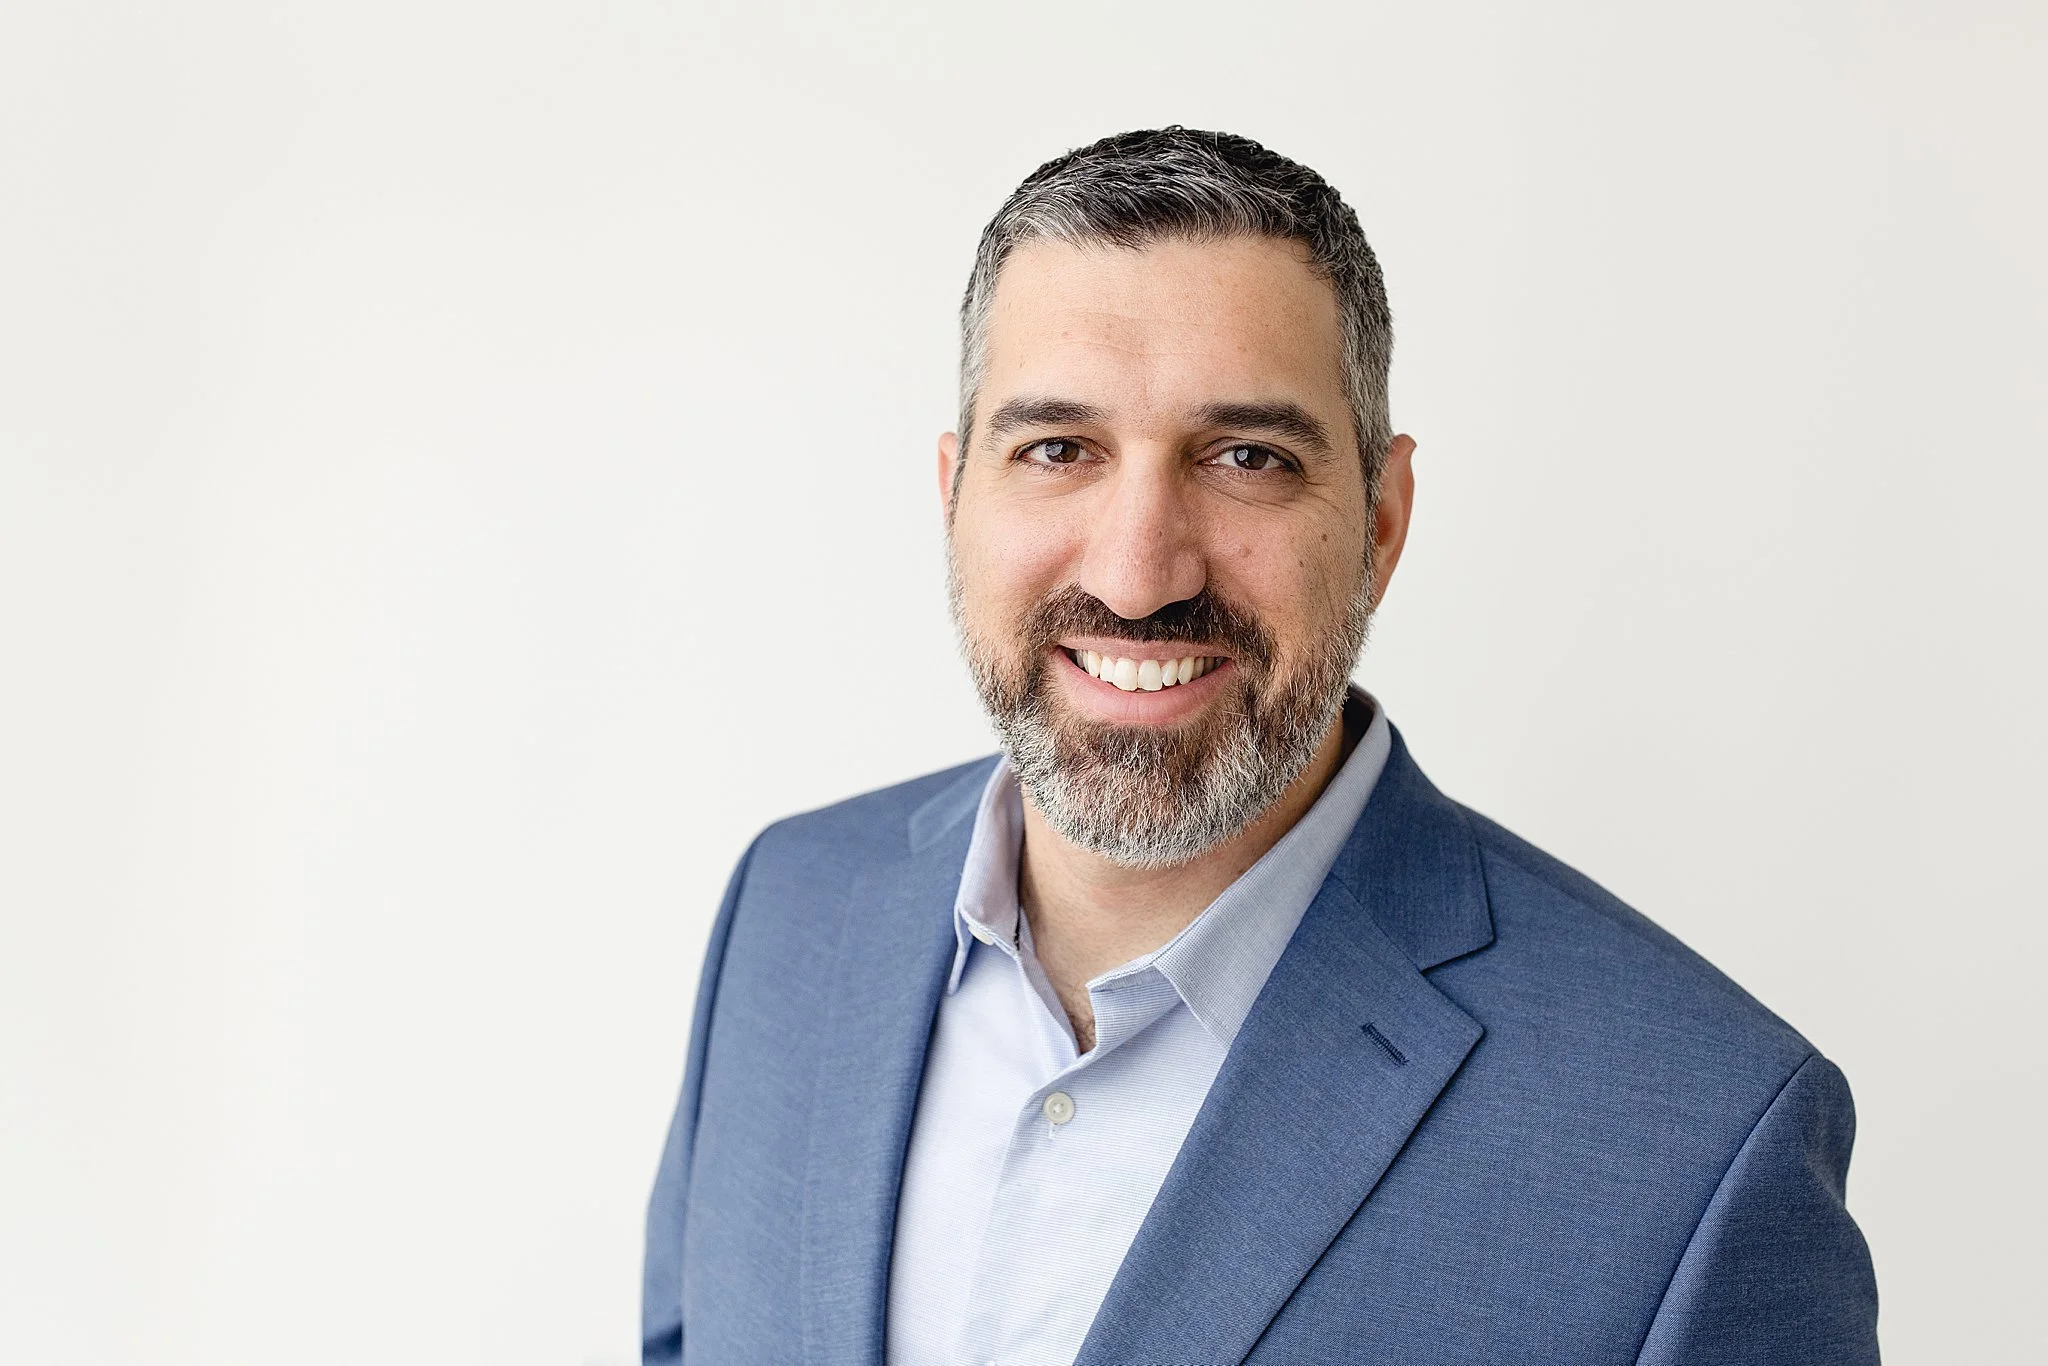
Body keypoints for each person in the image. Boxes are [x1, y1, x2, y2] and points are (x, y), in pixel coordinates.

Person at [640, 128, 1880, 1365]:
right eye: (1057, 449)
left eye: (1245, 458)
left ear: (1381, 524)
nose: (1135, 576)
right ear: (956, 493)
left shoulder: (1700, 1144)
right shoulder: (787, 912)